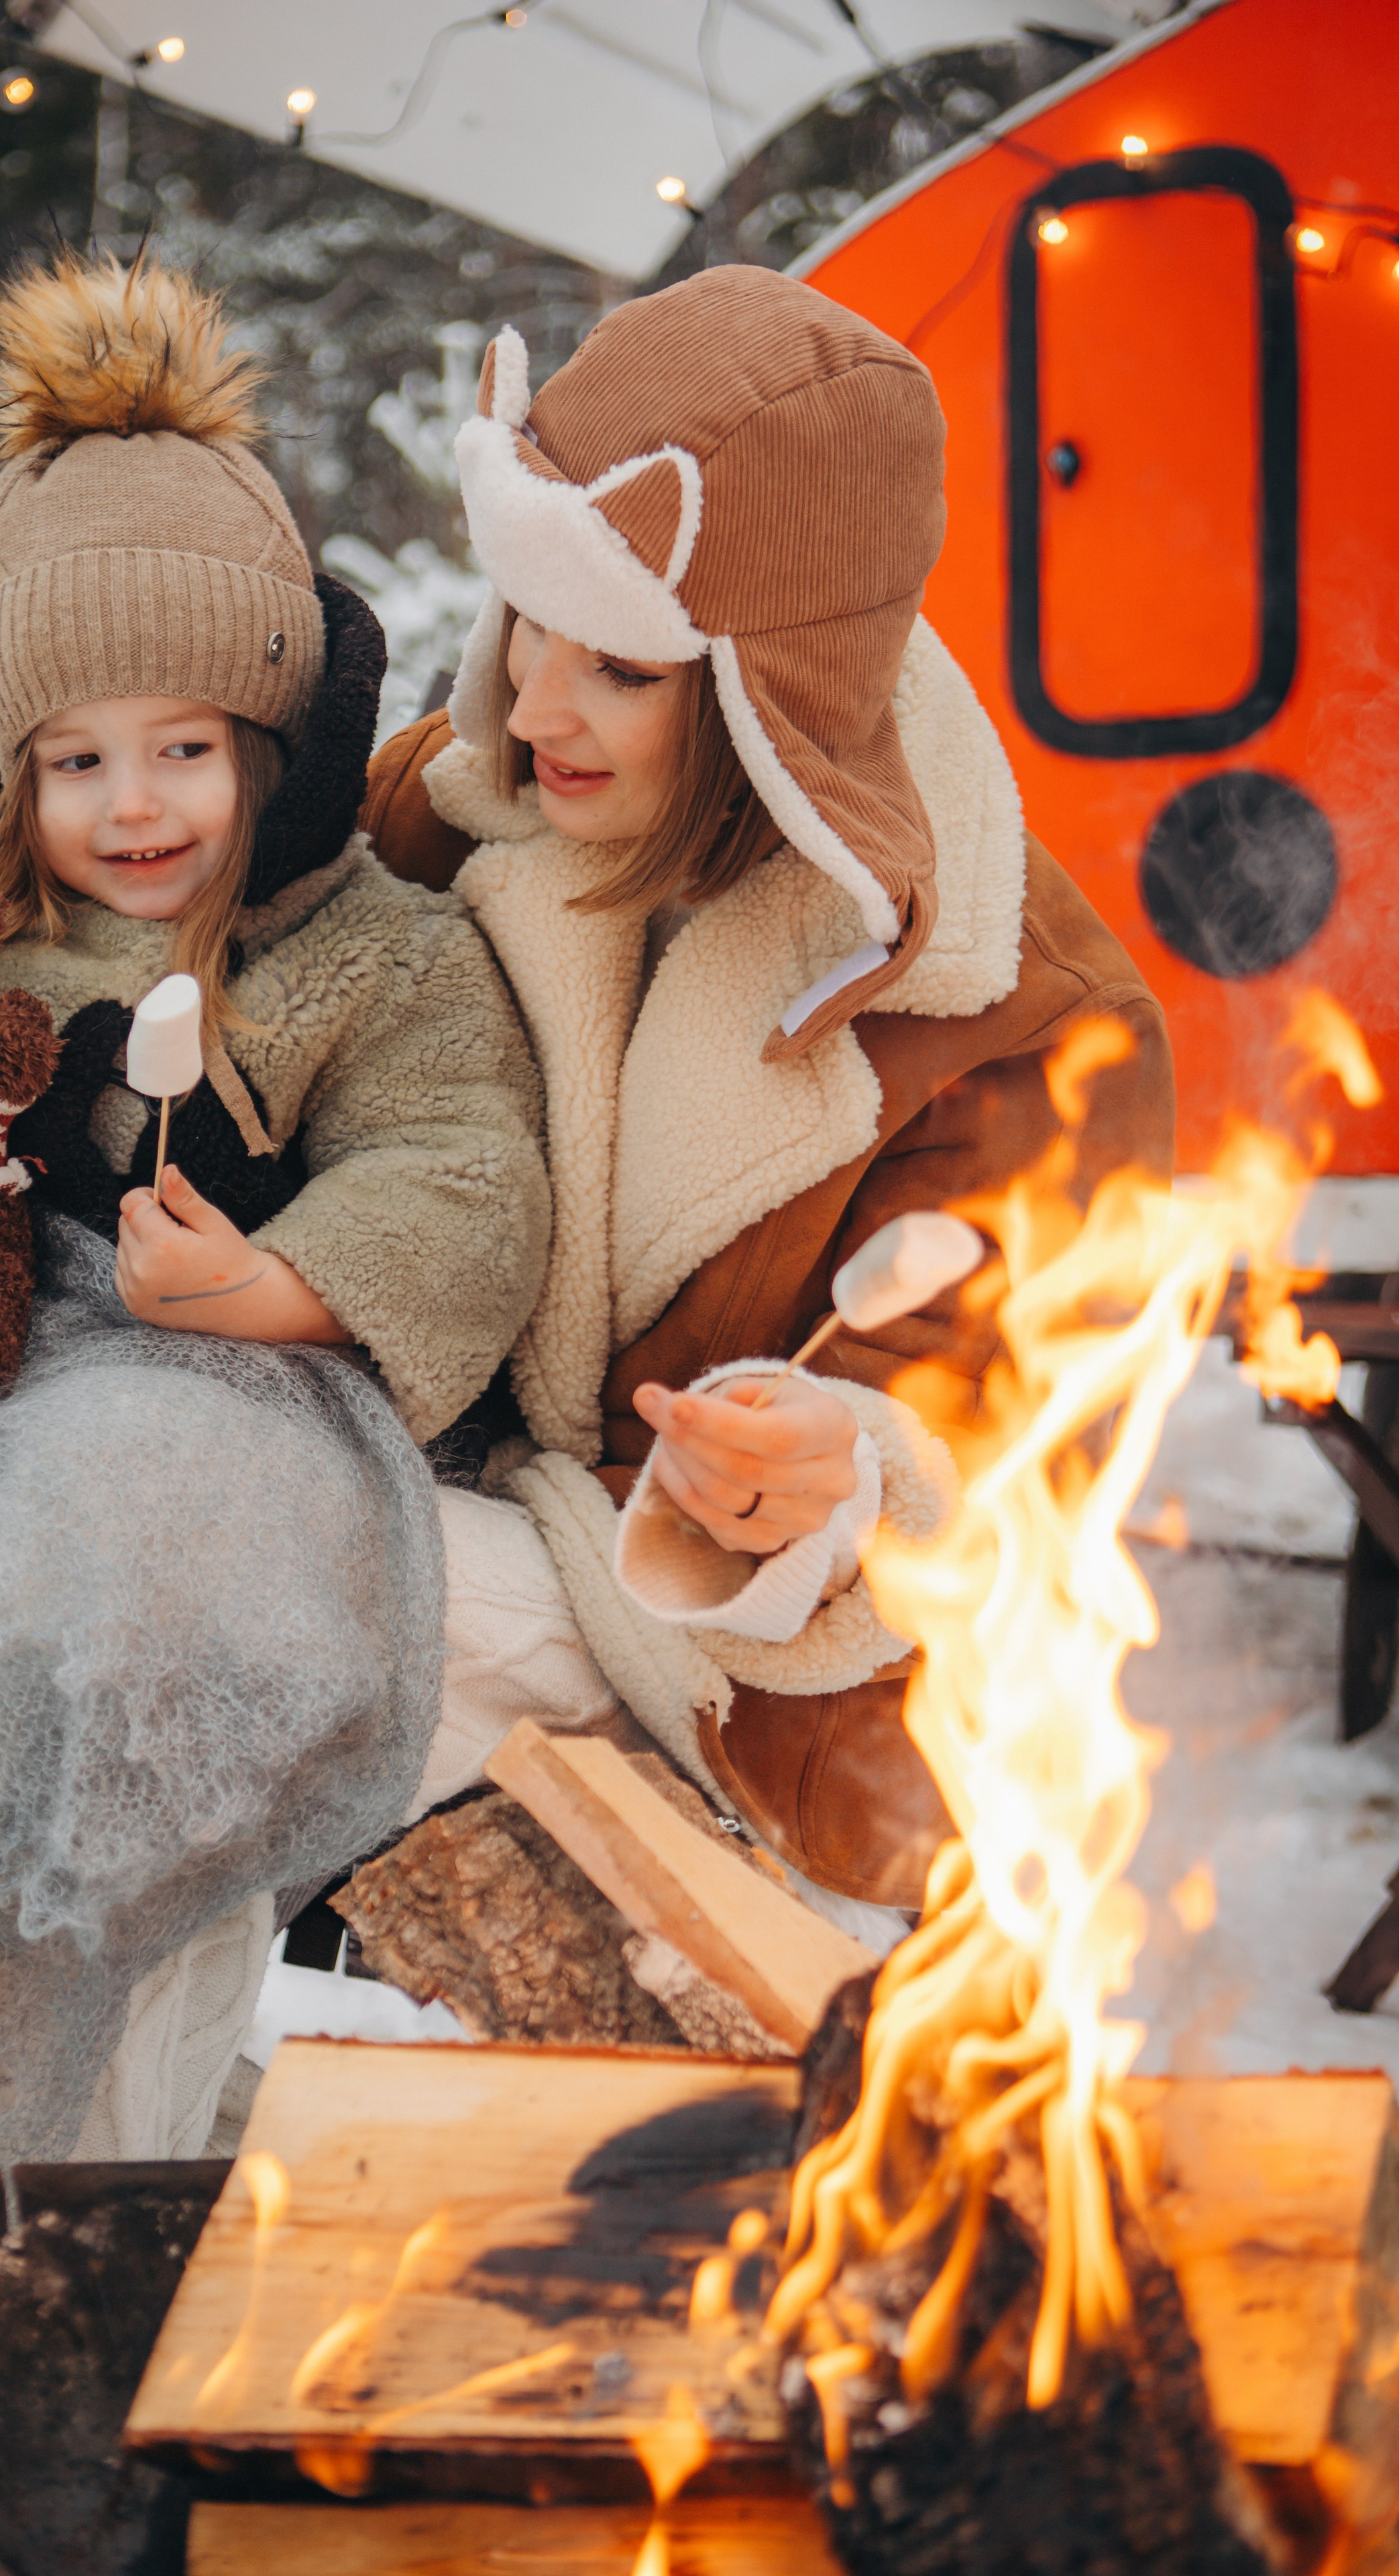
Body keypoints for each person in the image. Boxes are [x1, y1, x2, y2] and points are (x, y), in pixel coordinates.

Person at [0, 253, 550, 2179]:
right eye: (76, 759)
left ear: (272, 735)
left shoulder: (367, 957)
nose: (134, 804)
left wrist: (287, 1277)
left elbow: (465, 1166)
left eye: (184, 746)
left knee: (43, 1569)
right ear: (11, 770)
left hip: (227, 1400)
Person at [361, 267, 1174, 1935]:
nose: (531, 709)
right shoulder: (454, 813)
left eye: (622, 667)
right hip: (446, 1511)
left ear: (770, 695)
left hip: (777, 1694)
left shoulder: (1017, 1015)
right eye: (525, 625)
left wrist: (842, 1472)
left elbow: (1000, 1432)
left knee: (291, 1604)